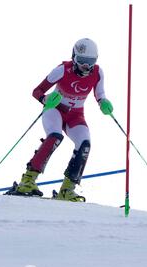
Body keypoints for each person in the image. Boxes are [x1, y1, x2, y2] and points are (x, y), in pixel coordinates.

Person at [10, 38, 113, 202]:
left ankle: (67, 189)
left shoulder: (98, 73)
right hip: (55, 110)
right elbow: (37, 90)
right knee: (55, 137)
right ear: (74, 57)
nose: (86, 66)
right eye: (82, 61)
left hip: (76, 115)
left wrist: (103, 102)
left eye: (90, 62)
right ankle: (27, 181)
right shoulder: (62, 70)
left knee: (85, 144)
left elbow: (99, 94)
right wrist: (45, 100)